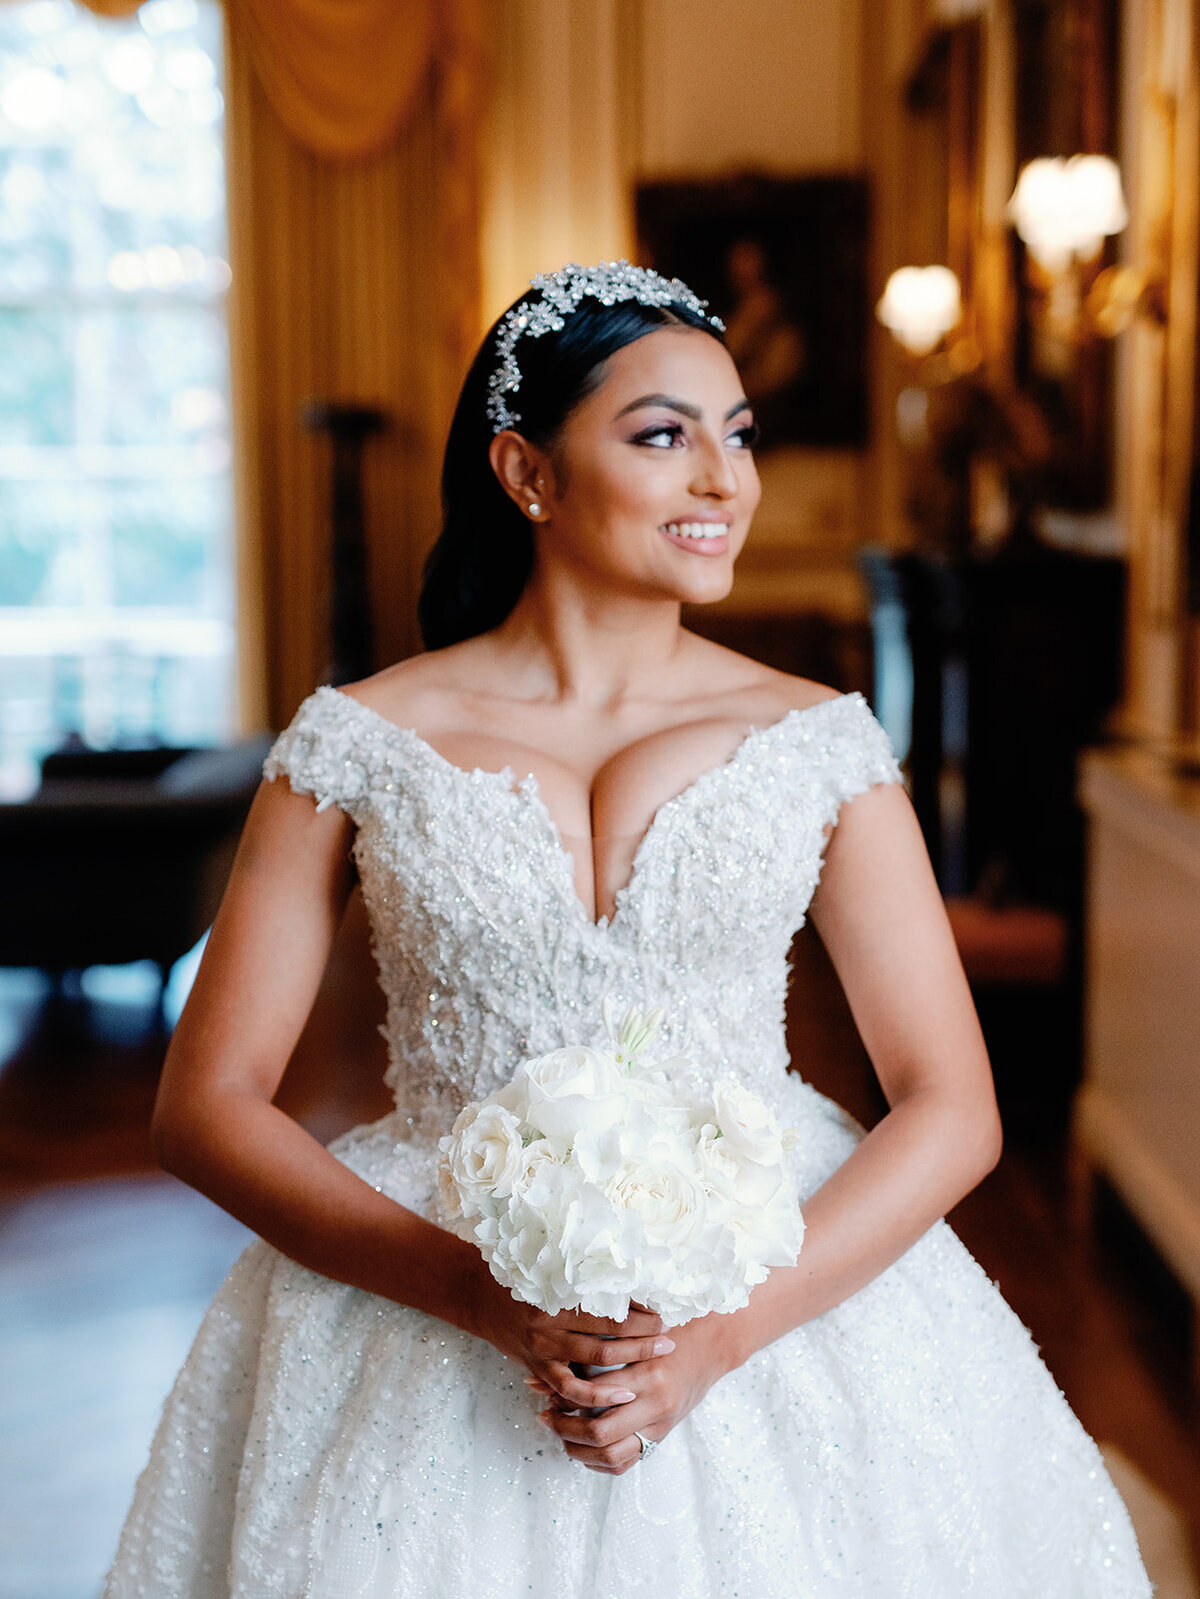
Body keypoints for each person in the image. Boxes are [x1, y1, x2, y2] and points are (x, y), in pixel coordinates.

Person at [103, 262, 1149, 1598]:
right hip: (426, 1305)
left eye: (739, 435)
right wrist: (473, 1292)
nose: (725, 480)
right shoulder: (358, 741)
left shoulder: (816, 741)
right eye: (664, 435)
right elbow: (204, 1108)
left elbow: (953, 1107)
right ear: (527, 472)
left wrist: (715, 1343)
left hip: (771, 1291)